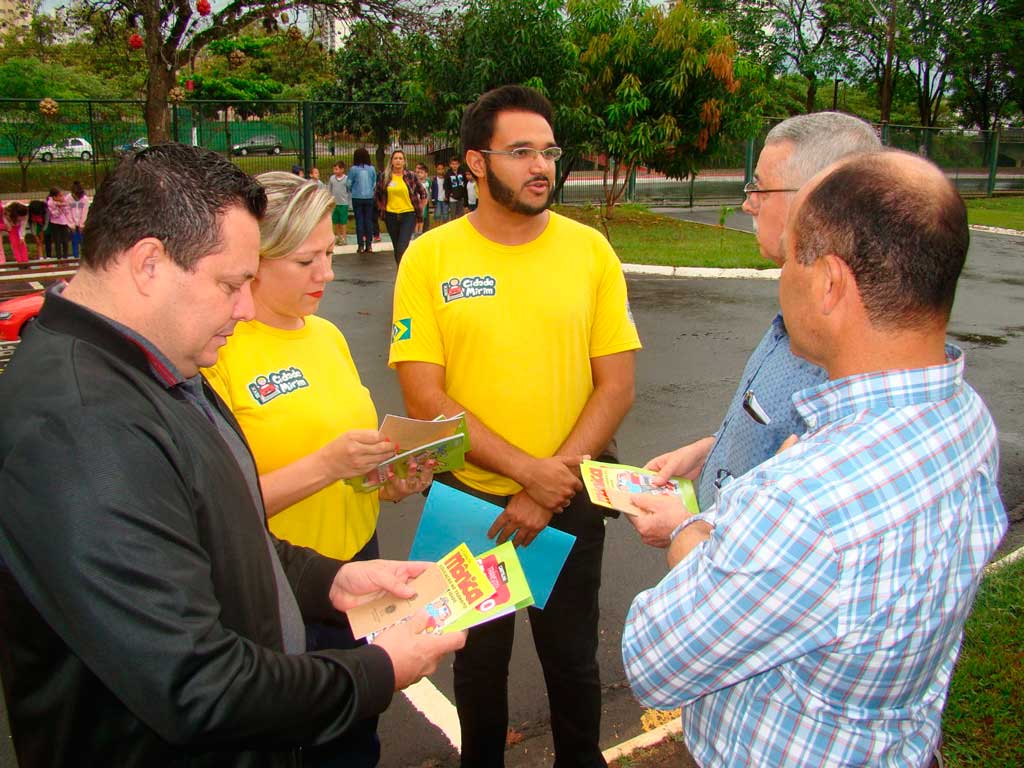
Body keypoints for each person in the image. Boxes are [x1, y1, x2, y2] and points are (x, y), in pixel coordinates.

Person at [0, 143, 465, 766]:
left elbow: (220, 524)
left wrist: (333, 579)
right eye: (230, 284)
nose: (245, 309)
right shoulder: (79, 426)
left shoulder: (154, 364)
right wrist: (377, 671)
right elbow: (196, 685)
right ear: (148, 265)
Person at [622, 150, 1008, 767]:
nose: (781, 278)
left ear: (829, 283)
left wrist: (690, 529)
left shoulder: (803, 505)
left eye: (790, 260)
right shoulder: (964, 416)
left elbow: (654, 658)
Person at [390, 85, 641, 768]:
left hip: (567, 501)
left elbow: (616, 385)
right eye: (521, 151)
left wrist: (547, 485)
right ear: (475, 162)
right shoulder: (430, 257)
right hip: (469, 503)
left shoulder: (589, 252)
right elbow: (424, 395)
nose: (542, 167)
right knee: (475, 670)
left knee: (572, 663)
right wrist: (528, 474)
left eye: (550, 151)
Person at [205, 171, 434, 767]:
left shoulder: (327, 335)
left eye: (330, 253)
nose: (327, 274)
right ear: (256, 259)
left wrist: (388, 482)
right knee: (293, 741)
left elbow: (352, 468)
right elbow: (209, 508)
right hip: (278, 583)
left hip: (358, 566)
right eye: (307, 260)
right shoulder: (216, 348)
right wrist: (326, 463)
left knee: (358, 735)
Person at [629, 112, 881, 548]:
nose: (748, 203)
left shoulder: (844, 357)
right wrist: (711, 452)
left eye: (760, 188)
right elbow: (775, 432)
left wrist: (680, 530)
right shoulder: (798, 314)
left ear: (818, 199)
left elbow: (769, 562)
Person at [373, 148, 425, 266]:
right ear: (391, 161)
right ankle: (400, 273)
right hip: (391, 215)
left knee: (402, 247)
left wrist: (420, 208)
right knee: (397, 247)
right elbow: (377, 194)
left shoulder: (411, 176)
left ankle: (405, 272)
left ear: (404, 161)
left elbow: (423, 193)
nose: (398, 161)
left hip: (408, 214)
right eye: (395, 158)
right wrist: (382, 208)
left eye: (400, 158)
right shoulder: (384, 177)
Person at [348, 147, 377, 254]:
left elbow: (348, 183)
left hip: (357, 197)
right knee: (368, 221)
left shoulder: (353, 169)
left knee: (359, 221)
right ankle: (369, 245)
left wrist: (352, 190)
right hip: (369, 197)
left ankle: (360, 245)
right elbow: (374, 183)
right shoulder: (372, 169)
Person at [0, 201, 29, 266]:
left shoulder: (24, 211)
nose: (21, 218)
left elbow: (23, 226)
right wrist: (9, 226)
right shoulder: (7, 211)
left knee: (22, 245)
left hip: (19, 227)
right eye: (20, 217)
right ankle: (20, 263)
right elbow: (5, 221)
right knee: (15, 245)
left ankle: (26, 263)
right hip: (11, 227)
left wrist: (22, 237)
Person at [328, 162, 351, 245]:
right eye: (334, 169)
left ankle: (344, 238)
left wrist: (349, 203)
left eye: (337, 169)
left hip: (343, 204)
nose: (335, 171)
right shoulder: (332, 179)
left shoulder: (346, 179)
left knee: (343, 222)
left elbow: (349, 191)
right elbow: (329, 190)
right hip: (335, 203)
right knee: (336, 221)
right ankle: (338, 237)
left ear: (342, 169)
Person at [46, 186, 71, 259]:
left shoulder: (63, 201)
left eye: (62, 195)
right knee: (57, 241)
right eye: (59, 196)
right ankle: (59, 258)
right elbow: (55, 214)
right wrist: (60, 207)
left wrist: (63, 205)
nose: (62, 197)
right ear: (54, 197)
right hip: (55, 223)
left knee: (65, 241)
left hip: (64, 222)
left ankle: (65, 257)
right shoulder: (50, 203)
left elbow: (67, 210)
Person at [68, 180, 90, 259]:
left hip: (81, 224)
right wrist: (71, 225)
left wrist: (82, 224)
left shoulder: (85, 199)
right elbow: (68, 212)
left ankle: (84, 257)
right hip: (72, 224)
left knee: (83, 241)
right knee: (74, 241)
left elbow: (85, 212)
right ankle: (75, 256)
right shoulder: (68, 198)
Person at [443, 155, 467, 219]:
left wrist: (464, 196)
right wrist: (448, 194)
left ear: (459, 164)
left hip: (461, 198)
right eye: (453, 164)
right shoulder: (448, 174)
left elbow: (465, 183)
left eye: (456, 164)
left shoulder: (462, 172)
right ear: (450, 165)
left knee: (460, 216)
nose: (454, 165)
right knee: (453, 216)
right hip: (452, 198)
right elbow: (446, 185)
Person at [415, 163, 430, 234]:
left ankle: (420, 231)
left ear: (425, 174)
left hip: (424, 203)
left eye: (421, 173)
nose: (419, 174)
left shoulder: (427, 182)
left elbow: (428, 192)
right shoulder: (415, 182)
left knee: (422, 217)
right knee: (416, 218)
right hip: (416, 202)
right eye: (418, 172)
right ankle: (415, 232)